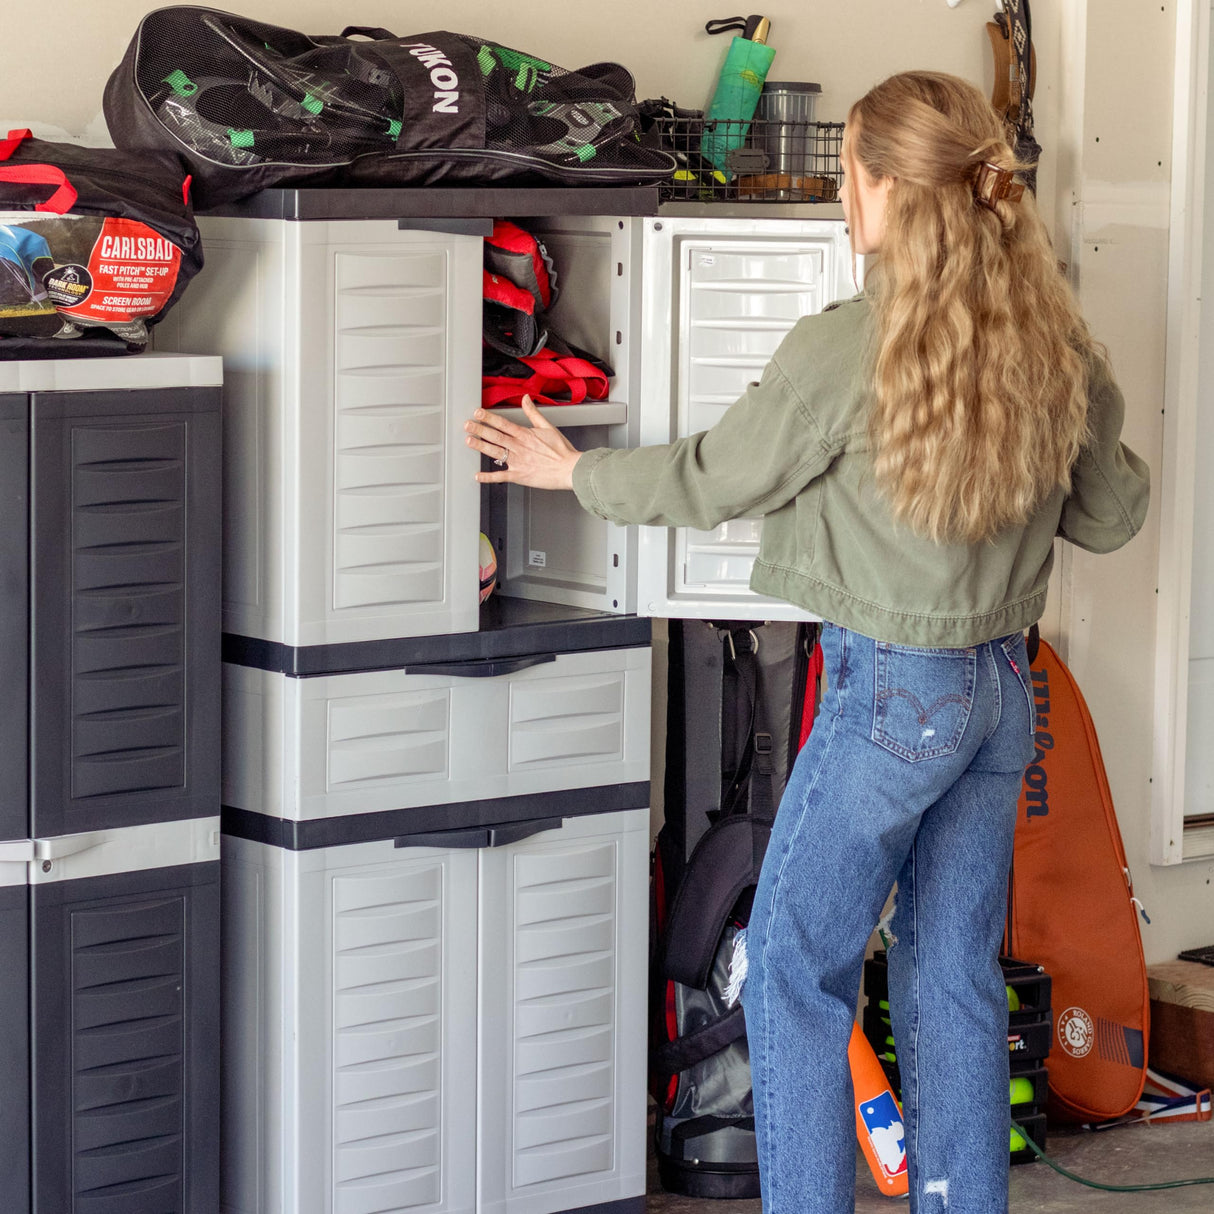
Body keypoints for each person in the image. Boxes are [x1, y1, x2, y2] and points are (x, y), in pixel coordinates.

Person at [464, 70, 1149, 1214]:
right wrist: (1087, 403)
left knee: (791, 969)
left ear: (885, 190)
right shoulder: (1052, 344)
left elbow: (715, 475)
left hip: (891, 694)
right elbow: (1110, 514)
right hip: (995, 691)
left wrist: (569, 466)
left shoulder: (846, 349)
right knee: (949, 981)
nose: (841, 198)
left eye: (848, 175)